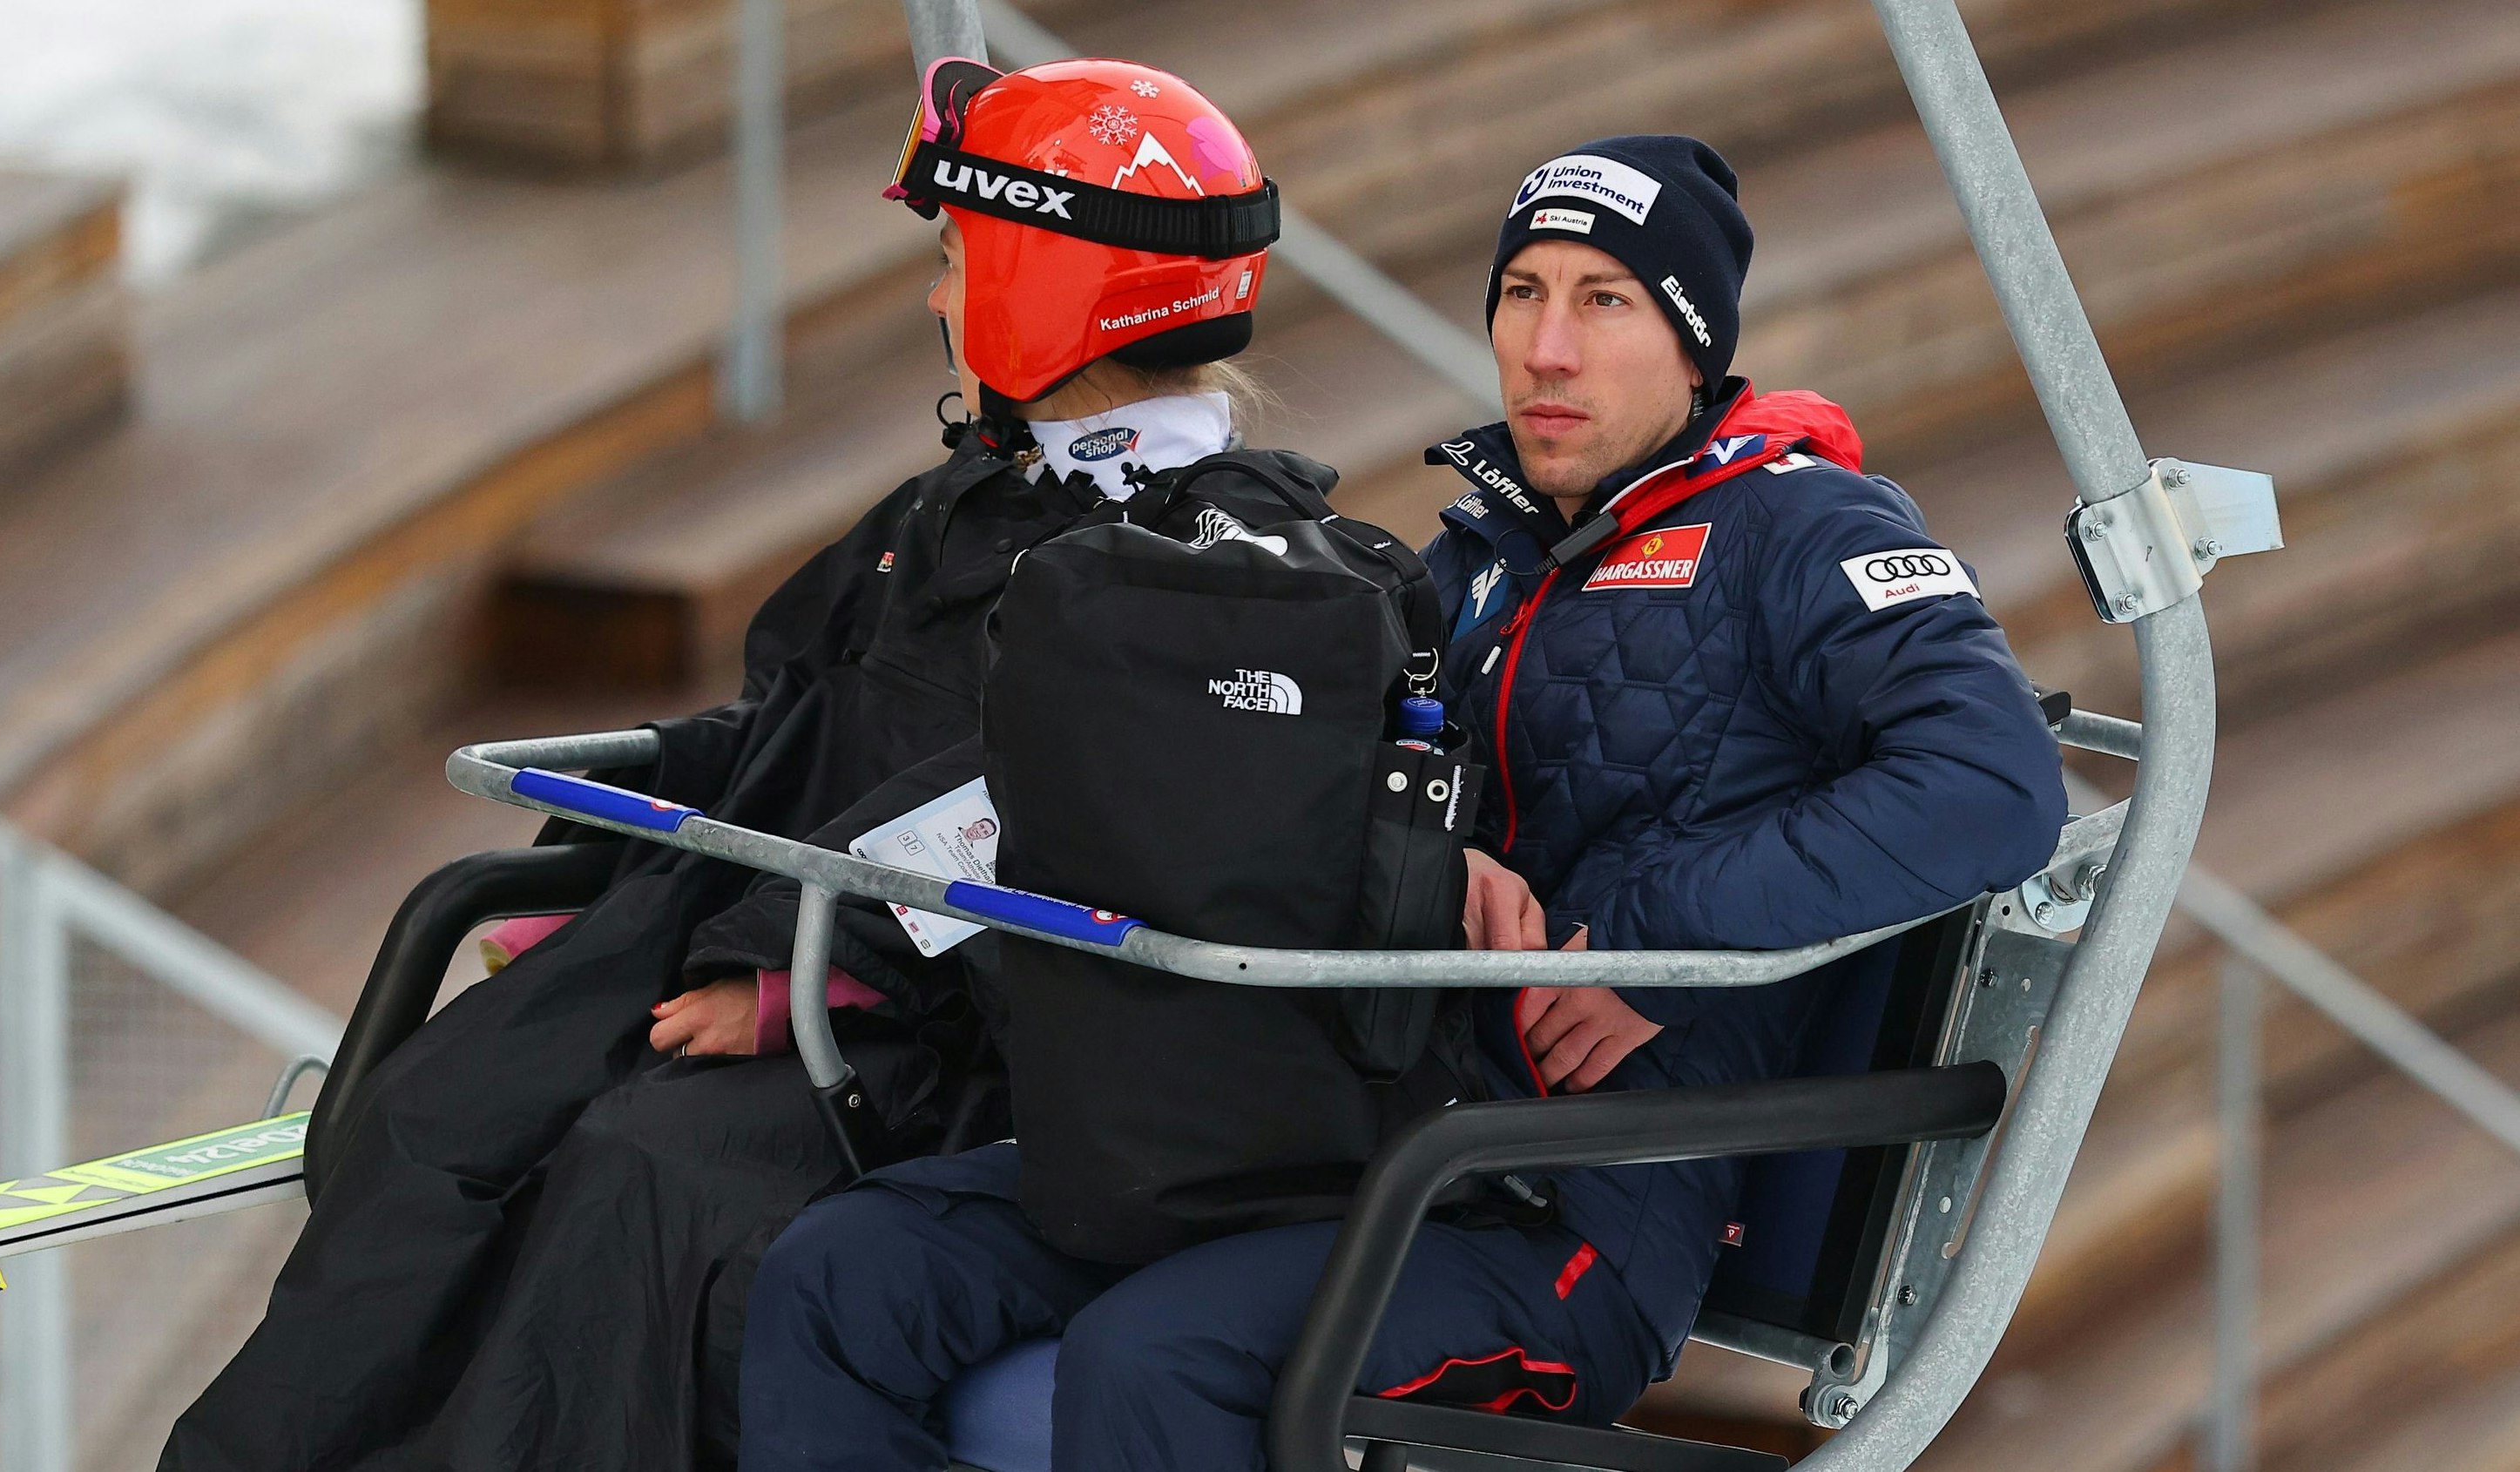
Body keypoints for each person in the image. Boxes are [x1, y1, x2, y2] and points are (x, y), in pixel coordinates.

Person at [732, 134, 2067, 1471]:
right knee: (847, 1272)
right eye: (1521, 293)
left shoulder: (1807, 533)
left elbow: (1993, 781)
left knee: (1157, 1359)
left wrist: (1658, 948)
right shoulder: (1477, 552)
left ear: (1692, 341)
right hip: (1337, 1130)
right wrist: (1428, 863)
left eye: (1605, 301)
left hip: (1564, 1211)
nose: (1546, 347)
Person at [161, 54, 1298, 1472]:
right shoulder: (958, 505)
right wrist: (628, 848)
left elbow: (1040, 810)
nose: (937, 300)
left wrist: (792, 967)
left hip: (962, 1030)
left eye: (956, 260)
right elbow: (795, 723)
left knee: (645, 1181)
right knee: (437, 1108)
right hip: (790, 944)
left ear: (1042, 282)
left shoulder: (1206, 563)